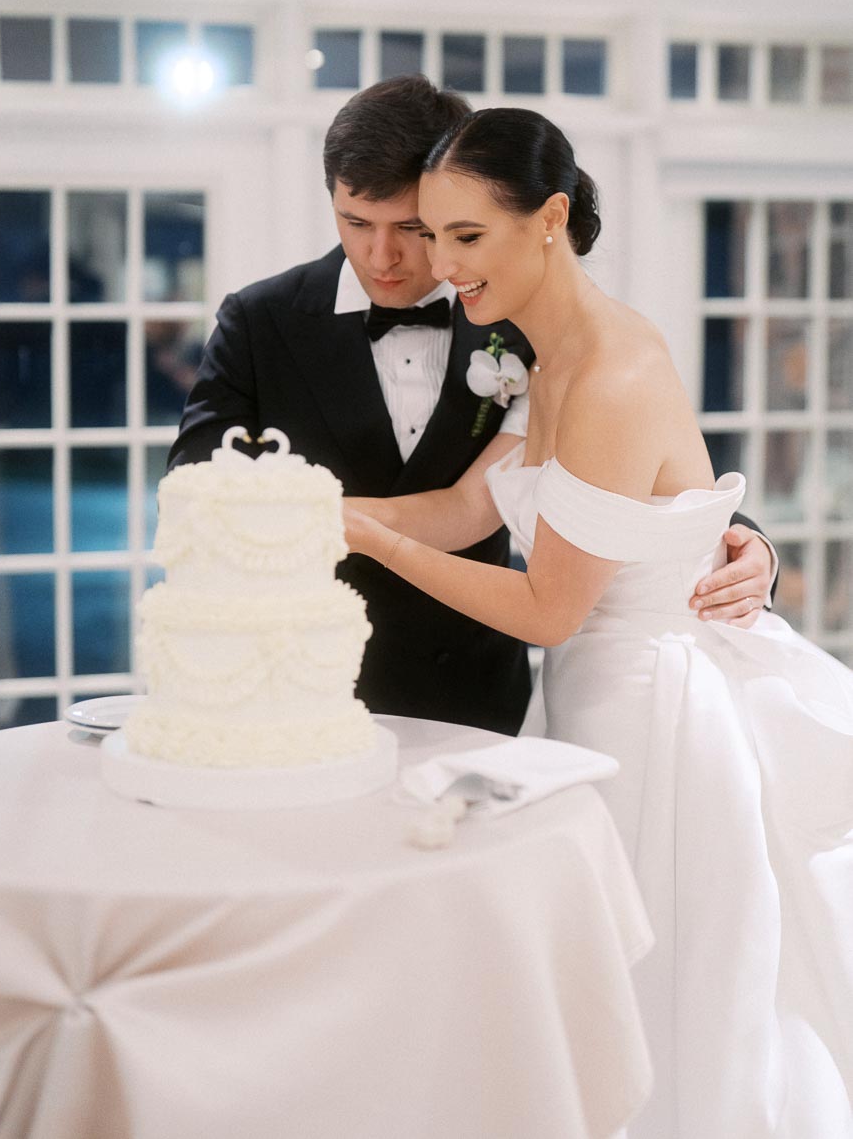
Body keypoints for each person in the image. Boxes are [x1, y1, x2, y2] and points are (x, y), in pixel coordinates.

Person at [343, 107, 853, 1138]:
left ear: (551, 219)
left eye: (465, 237)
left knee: (665, 1003)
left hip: (659, 721)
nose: (441, 264)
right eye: (433, 236)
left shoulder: (613, 371)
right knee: (607, 992)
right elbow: (467, 508)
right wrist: (309, 507)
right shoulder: (545, 351)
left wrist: (374, 545)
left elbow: (549, 604)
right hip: (595, 696)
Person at [168, 75, 774, 736]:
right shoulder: (262, 321)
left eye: (412, 228)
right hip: (302, 685)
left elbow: (632, 467)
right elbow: (200, 488)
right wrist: (301, 522)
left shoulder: (517, 312)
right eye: (355, 222)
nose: (384, 256)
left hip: (482, 688)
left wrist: (744, 544)